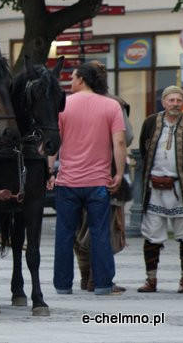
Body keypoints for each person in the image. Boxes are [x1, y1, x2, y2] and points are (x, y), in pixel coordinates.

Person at [48, 61, 126, 296]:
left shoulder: (63, 106)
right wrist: (119, 173)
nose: (70, 82)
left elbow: (53, 142)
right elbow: (120, 142)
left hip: (68, 182)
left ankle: (62, 285)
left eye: (72, 78)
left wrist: (50, 171)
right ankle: (102, 284)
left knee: (64, 233)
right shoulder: (111, 106)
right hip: (98, 183)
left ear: (81, 79)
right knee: (100, 232)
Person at [74, 94, 132, 292]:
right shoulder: (114, 104)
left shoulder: (71, 102)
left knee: (80, 228)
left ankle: (86, 278)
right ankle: (95, 278)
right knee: (104, 229)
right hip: (104, 175)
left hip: (74, 176)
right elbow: (126, 138)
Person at [137, 85, 183, 293]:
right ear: (163, 102)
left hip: (181, 189)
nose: (175, 104)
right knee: (152, 235)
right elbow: (142, 149)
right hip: (154, 187)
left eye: (178, 100)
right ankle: (151, 279)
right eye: (171, 100)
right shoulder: (150, 122)